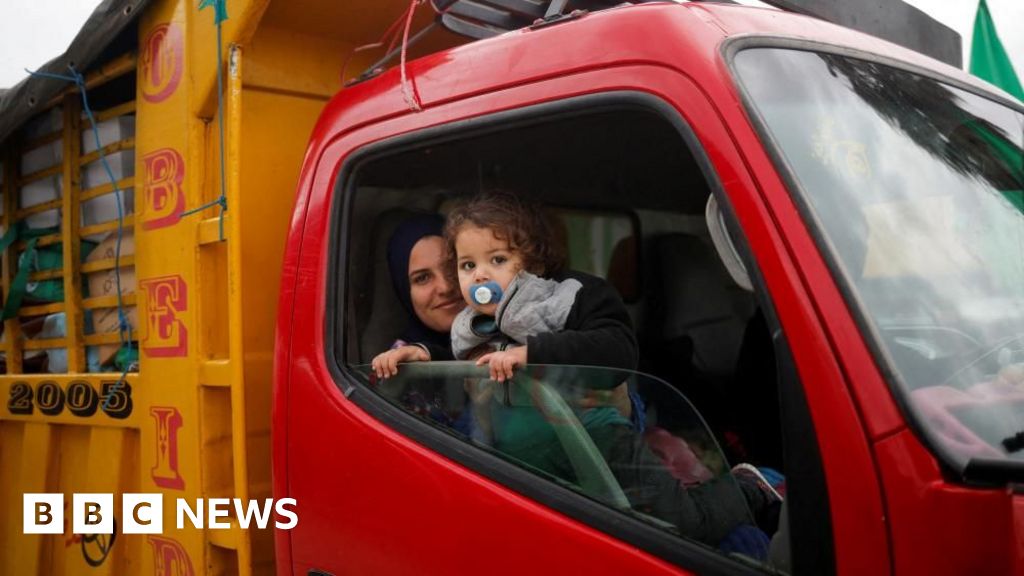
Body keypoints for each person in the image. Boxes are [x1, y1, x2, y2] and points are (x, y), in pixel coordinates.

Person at [372, 214, 464, 378]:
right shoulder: (398, 363)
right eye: (422, 278)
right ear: (404, 291)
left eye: (451, 267)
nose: (446, 287)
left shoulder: (510, 328)